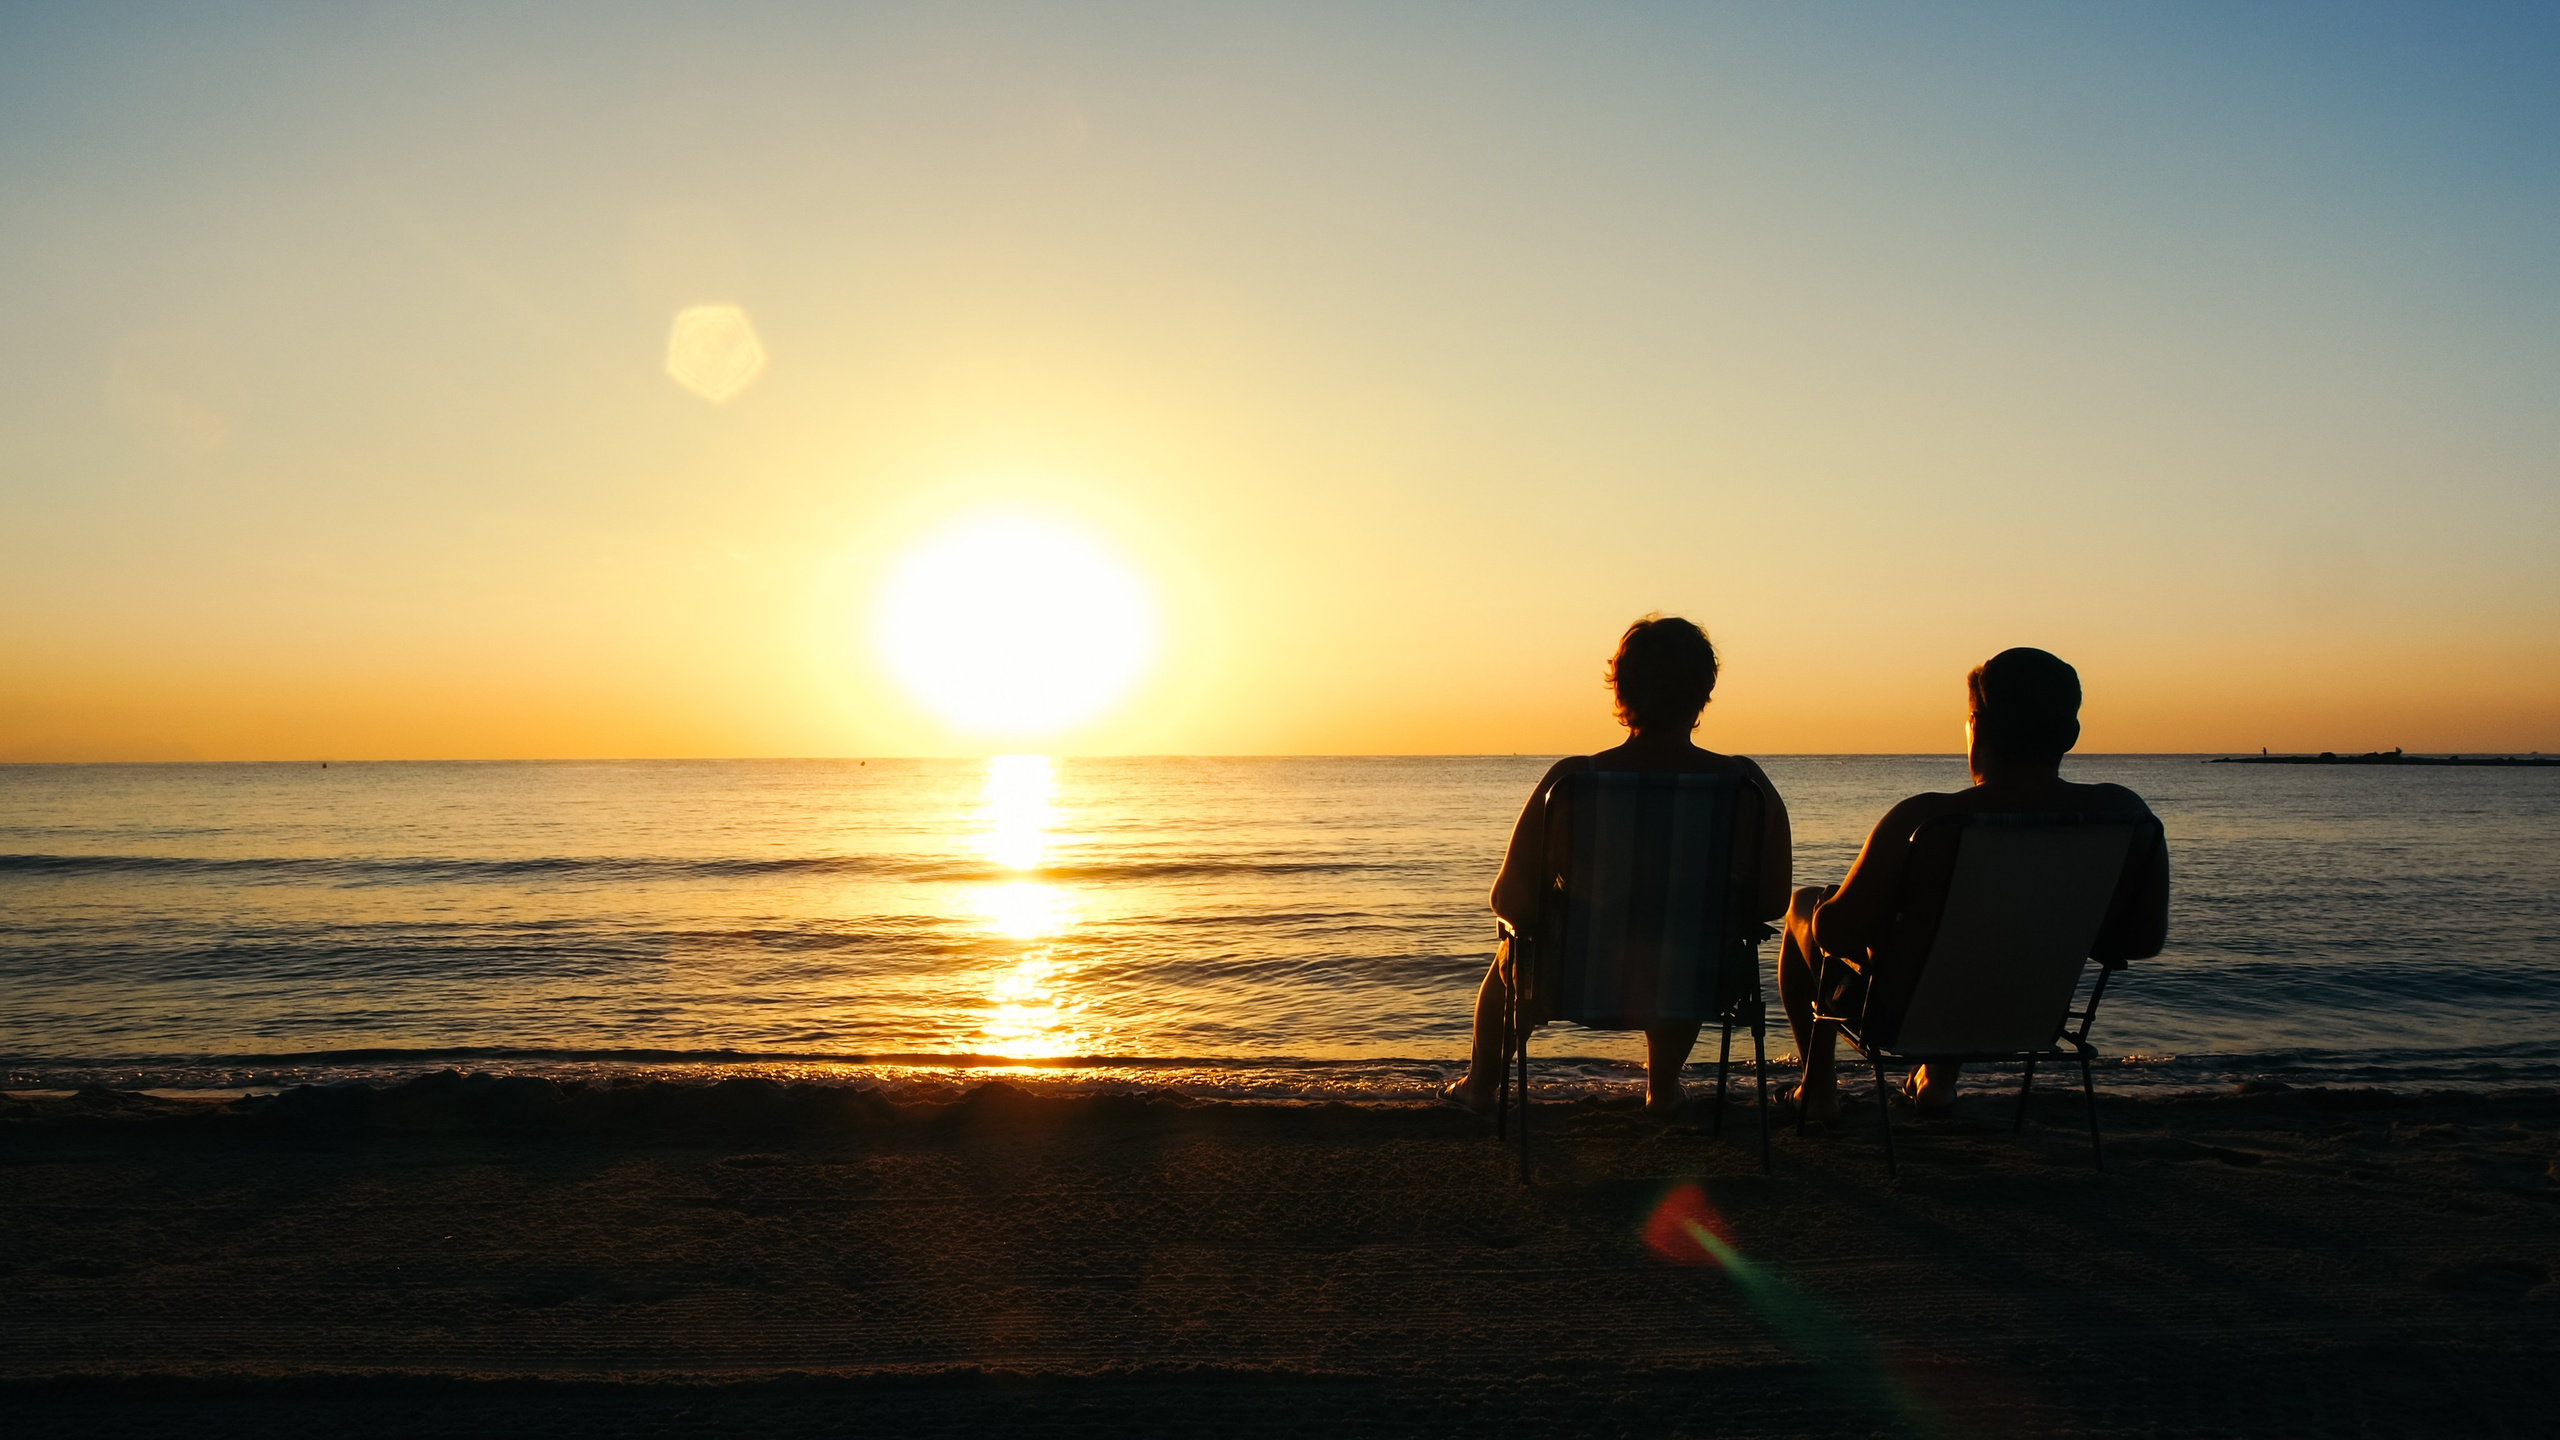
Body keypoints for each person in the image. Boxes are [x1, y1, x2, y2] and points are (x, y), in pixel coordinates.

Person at [1778, 647, 2170, 1124]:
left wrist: (1859, 914)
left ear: (1976, 727)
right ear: (2071, 733)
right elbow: (2143, 941)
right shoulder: (2125, 817)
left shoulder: (1926, 820)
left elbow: (1835, 936)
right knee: (1992, 930)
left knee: (1805, 906)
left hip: (1908, 1021)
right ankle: (1936, 1084)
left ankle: (1818, 1092)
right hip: (2031, 1016)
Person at [1444, 615, 1793, 1116]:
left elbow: (1510, 902)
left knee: (1512, 957)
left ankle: (1480, 1088)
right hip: (1698, 981)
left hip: (1572, 982)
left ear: (1621, 691)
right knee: (1685, 944)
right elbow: (1772, 901)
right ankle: (1664, 1089)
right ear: (1703, 693)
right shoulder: (1745, 786)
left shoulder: (1570, 785)